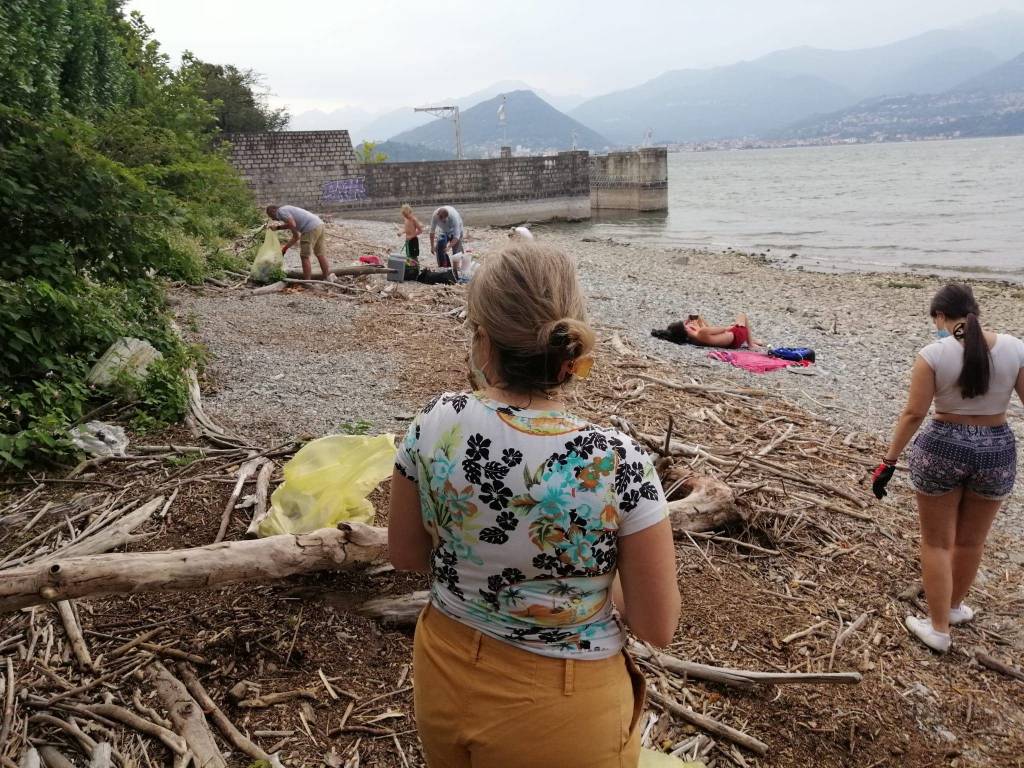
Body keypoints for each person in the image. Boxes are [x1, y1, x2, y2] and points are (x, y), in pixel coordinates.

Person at [389, 243, 681, 768]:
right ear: (571, 348)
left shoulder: (435, 421)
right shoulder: (618, 461)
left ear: (483, 339)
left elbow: (407, 554)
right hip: (564, 705)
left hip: (445, 662)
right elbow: (657, 625)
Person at [873, 284, 1023, 653]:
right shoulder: (1015, 347)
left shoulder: (933, 354)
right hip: (996, 448)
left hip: (943, 447)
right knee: (972, 540)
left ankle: (938, 629)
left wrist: (889, 460)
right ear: (975, 312)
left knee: (937, 542)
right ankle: (953, 609)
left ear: (940, 316)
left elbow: (914, 413)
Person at [266, 204, 331, 281]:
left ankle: (307, 281)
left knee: (304, 256)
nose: (274, 219)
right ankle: (327, 277)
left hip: (310, 228)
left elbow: (292, 224)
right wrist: (285, 249)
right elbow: (296, 236)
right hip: (319, 224)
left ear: (273, 210)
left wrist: (278, 227)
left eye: (271, 216)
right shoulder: (288, 213)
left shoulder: (281, 211)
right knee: (320, 254)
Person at [683, 313, 763, 350]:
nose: (691, 323)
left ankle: (751, 339)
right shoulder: (701, 332)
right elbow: (725, 329)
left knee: (735, 325)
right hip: (737, 337)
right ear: (688, 330)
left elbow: (709, 329)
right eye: (688, 325)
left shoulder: (695, 340)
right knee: (742, 315)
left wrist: (697, 322)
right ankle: (751, 344)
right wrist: (733, 326)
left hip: (731, 344)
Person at [429, 205, 464, 275]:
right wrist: (432, 246)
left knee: (456, 250)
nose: (440, 219)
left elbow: (457, 236)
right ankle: (443, 268)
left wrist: (449, 247)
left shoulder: (454, 218)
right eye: (439, 218)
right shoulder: (435, 216)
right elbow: (432, 232)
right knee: (440, 245)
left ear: (446, 217)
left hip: (455, 230)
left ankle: (455, 270)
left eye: (442, 218)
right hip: (443, 230)